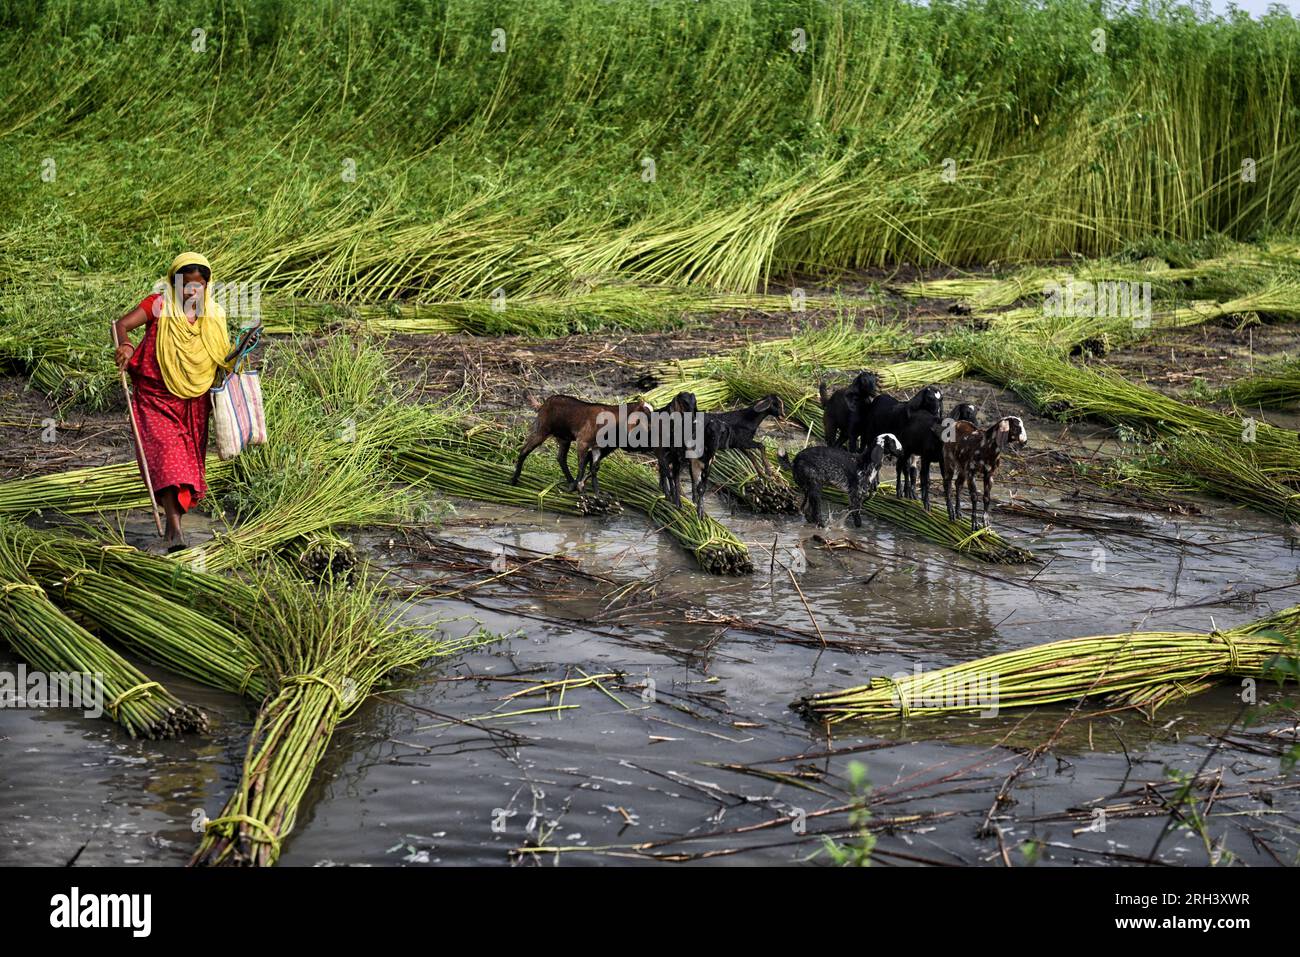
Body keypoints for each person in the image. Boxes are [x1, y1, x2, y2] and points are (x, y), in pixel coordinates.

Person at [111, 252, 230, 552]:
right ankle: (174, 532)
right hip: (155, 397)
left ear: (207, 285)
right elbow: (120, 325)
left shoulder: (212, 316)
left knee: (187, 468)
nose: (192, 292)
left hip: (193, 400)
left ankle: (172, 529)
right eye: (186, 285)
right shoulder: (158, 305)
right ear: (174, 284)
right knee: (167, 458)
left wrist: (237, 357)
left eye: (198, 285)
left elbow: (221, 357)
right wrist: (125, 344)